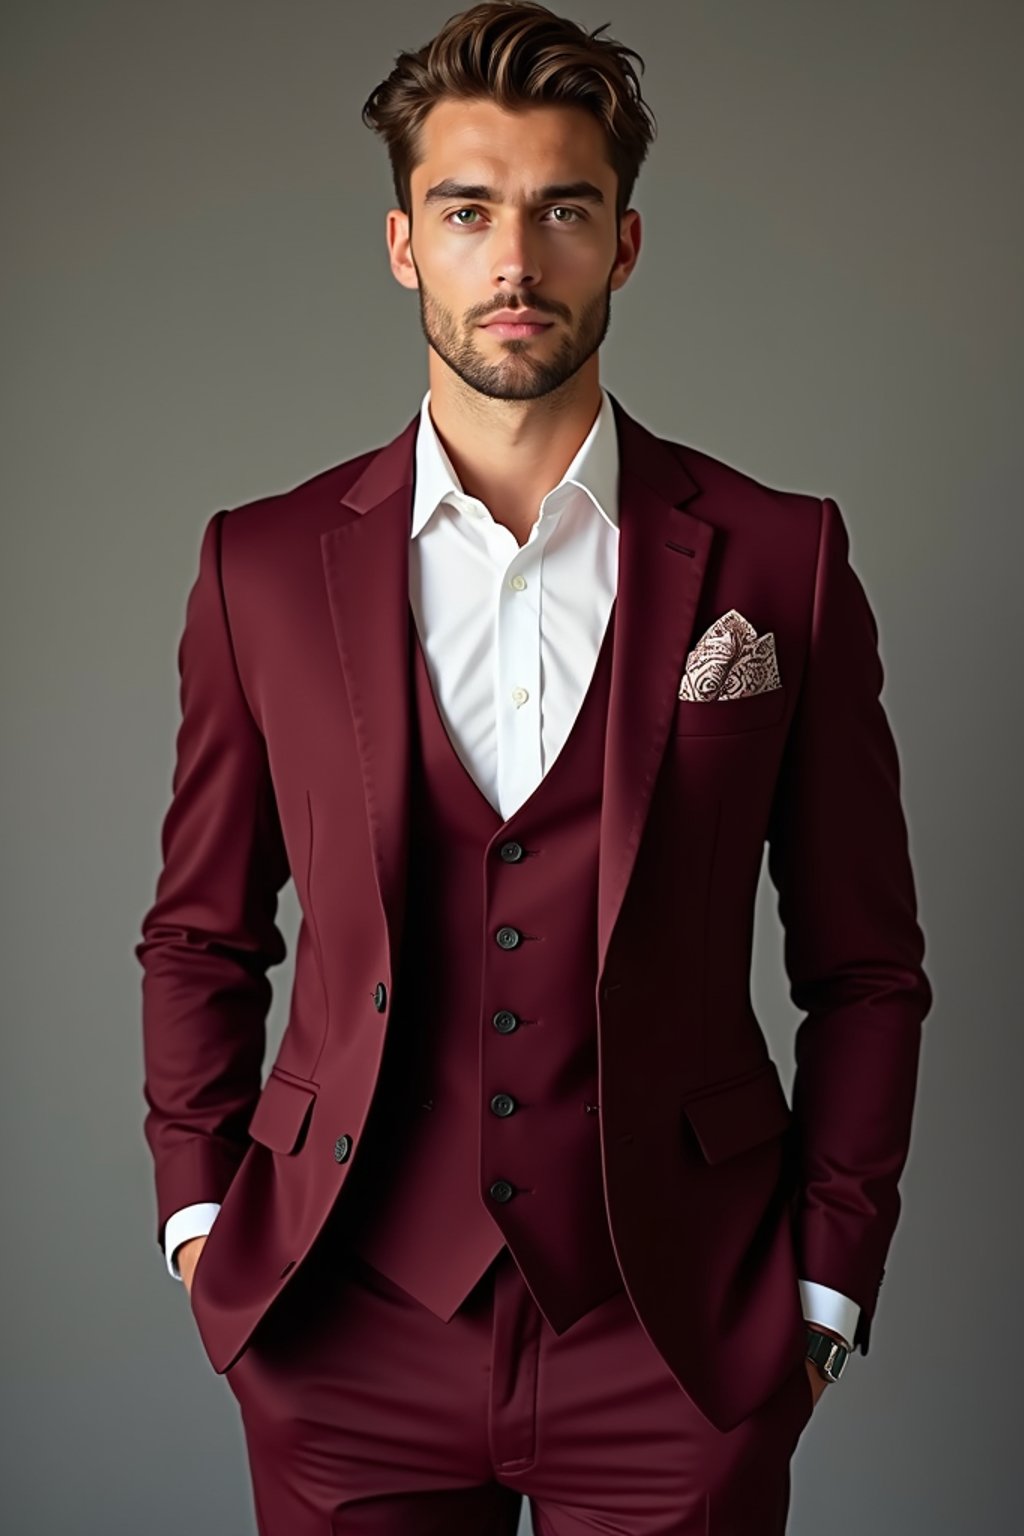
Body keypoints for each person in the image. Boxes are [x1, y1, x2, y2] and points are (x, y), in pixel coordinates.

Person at [136, 3, 932, 1531]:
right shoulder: (262, 564)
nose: (516, 260)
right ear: (402, 245)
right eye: (469, 210)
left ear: (623, 244)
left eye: (564, 210)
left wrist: (824, 1291)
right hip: (342, 1321)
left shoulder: (782, 558)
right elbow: (200, 931)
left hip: (679, 1336)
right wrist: (198, 1222)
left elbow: (867, 968)